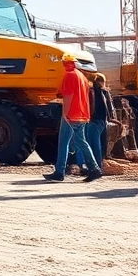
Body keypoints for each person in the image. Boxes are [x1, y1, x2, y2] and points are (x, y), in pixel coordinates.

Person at [45, 53, 101, 183]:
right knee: (80, 141)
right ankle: (94, 168)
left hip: (71, 114)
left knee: (65, 142)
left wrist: (65, 113)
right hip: (81, 114)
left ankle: (60, 172)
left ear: (66, 63)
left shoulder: (70, 75)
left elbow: (68, 96)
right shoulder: (81, 76)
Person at [85, 73, 113, 169]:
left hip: (93, 120)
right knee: (99, 144)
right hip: (102, 121)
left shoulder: (90, 91)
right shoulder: (105, 92)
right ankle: (98, 165)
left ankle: (95, 167)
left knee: (93, 144)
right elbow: (110, 108)